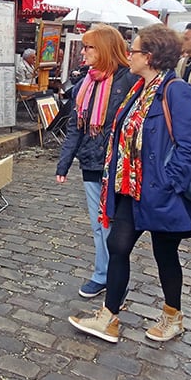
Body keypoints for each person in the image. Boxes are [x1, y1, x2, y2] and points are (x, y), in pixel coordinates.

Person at [68, 24, 191, 343]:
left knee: (165, 254)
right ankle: (109, 318)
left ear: (149, 56)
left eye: (133, 50)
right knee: (117, 246)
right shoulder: (139, 89)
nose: (128, 56)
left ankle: (173, 316)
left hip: (161, 194)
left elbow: (190, 150)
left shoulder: (177, 90)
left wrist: (166, 185)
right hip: (131, 189)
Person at [55, 24, 136, 299]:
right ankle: (103, 274)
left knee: (113, 225)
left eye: (90, 47)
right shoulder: (86, 82)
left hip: (117, 165)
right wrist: (63, 164)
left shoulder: (128, 80)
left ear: (104, 49)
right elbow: (75, 127)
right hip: (90, 162)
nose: (84, 52)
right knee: (98, 224)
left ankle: (114, 278)